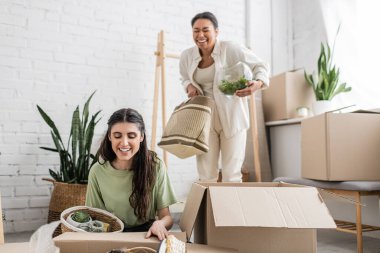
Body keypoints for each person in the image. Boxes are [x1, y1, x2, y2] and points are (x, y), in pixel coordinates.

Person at [179, 11, 270, 182]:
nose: (200, 35)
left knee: (231, 174)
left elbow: (261, 65)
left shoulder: (231, 48)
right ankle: (209, 208)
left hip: (232, 116)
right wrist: (189, 86)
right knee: (206, 174)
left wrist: (257, 84)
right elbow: (184, 77)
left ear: (216, 32)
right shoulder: (187, 56)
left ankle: (232, 209)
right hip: (205, 119)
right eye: (196, 30)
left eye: (205, 30)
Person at [85, 108, 177, 240]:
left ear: (141, 137)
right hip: (111, 236)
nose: (124, 143)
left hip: (146, 235)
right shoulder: (97, 172)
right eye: (117, 136)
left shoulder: (156, 165)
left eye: (131, 136)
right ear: (110, 137)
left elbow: (166, 217)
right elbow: (95, 218)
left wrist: (159, 223)